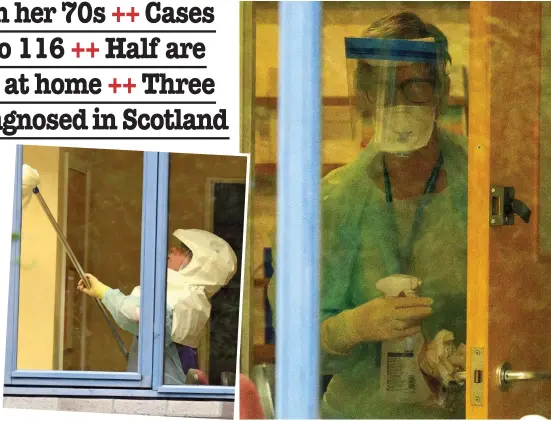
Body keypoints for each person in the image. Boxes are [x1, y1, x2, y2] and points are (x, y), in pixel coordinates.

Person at [269, 12, 468, 419]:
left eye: (414, 86)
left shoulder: (487, 188)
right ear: (361, 94)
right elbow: (294, 347)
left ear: (442, 91)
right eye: (381, 88)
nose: (397, 103)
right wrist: (352, 327)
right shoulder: (332, 202)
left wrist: (475, 350)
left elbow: (525, 307)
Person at [78, 228, 238, 385]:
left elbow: (137, 314)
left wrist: (103, 292)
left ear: (197, 264)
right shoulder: (194, 299)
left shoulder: (180, 295)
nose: (173, 249)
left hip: (158, 393)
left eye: (183, 250)